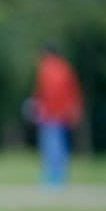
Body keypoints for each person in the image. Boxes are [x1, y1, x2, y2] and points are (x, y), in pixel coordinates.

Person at [27, 44, 83, 186]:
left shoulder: (45, 68)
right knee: (60, 144)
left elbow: (44, 91)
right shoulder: (65, 67)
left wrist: (39, 108)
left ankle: (52, 178)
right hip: (63, 113)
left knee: (50, 145)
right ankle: (60, 176)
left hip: (49, 113)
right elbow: (73, 91)